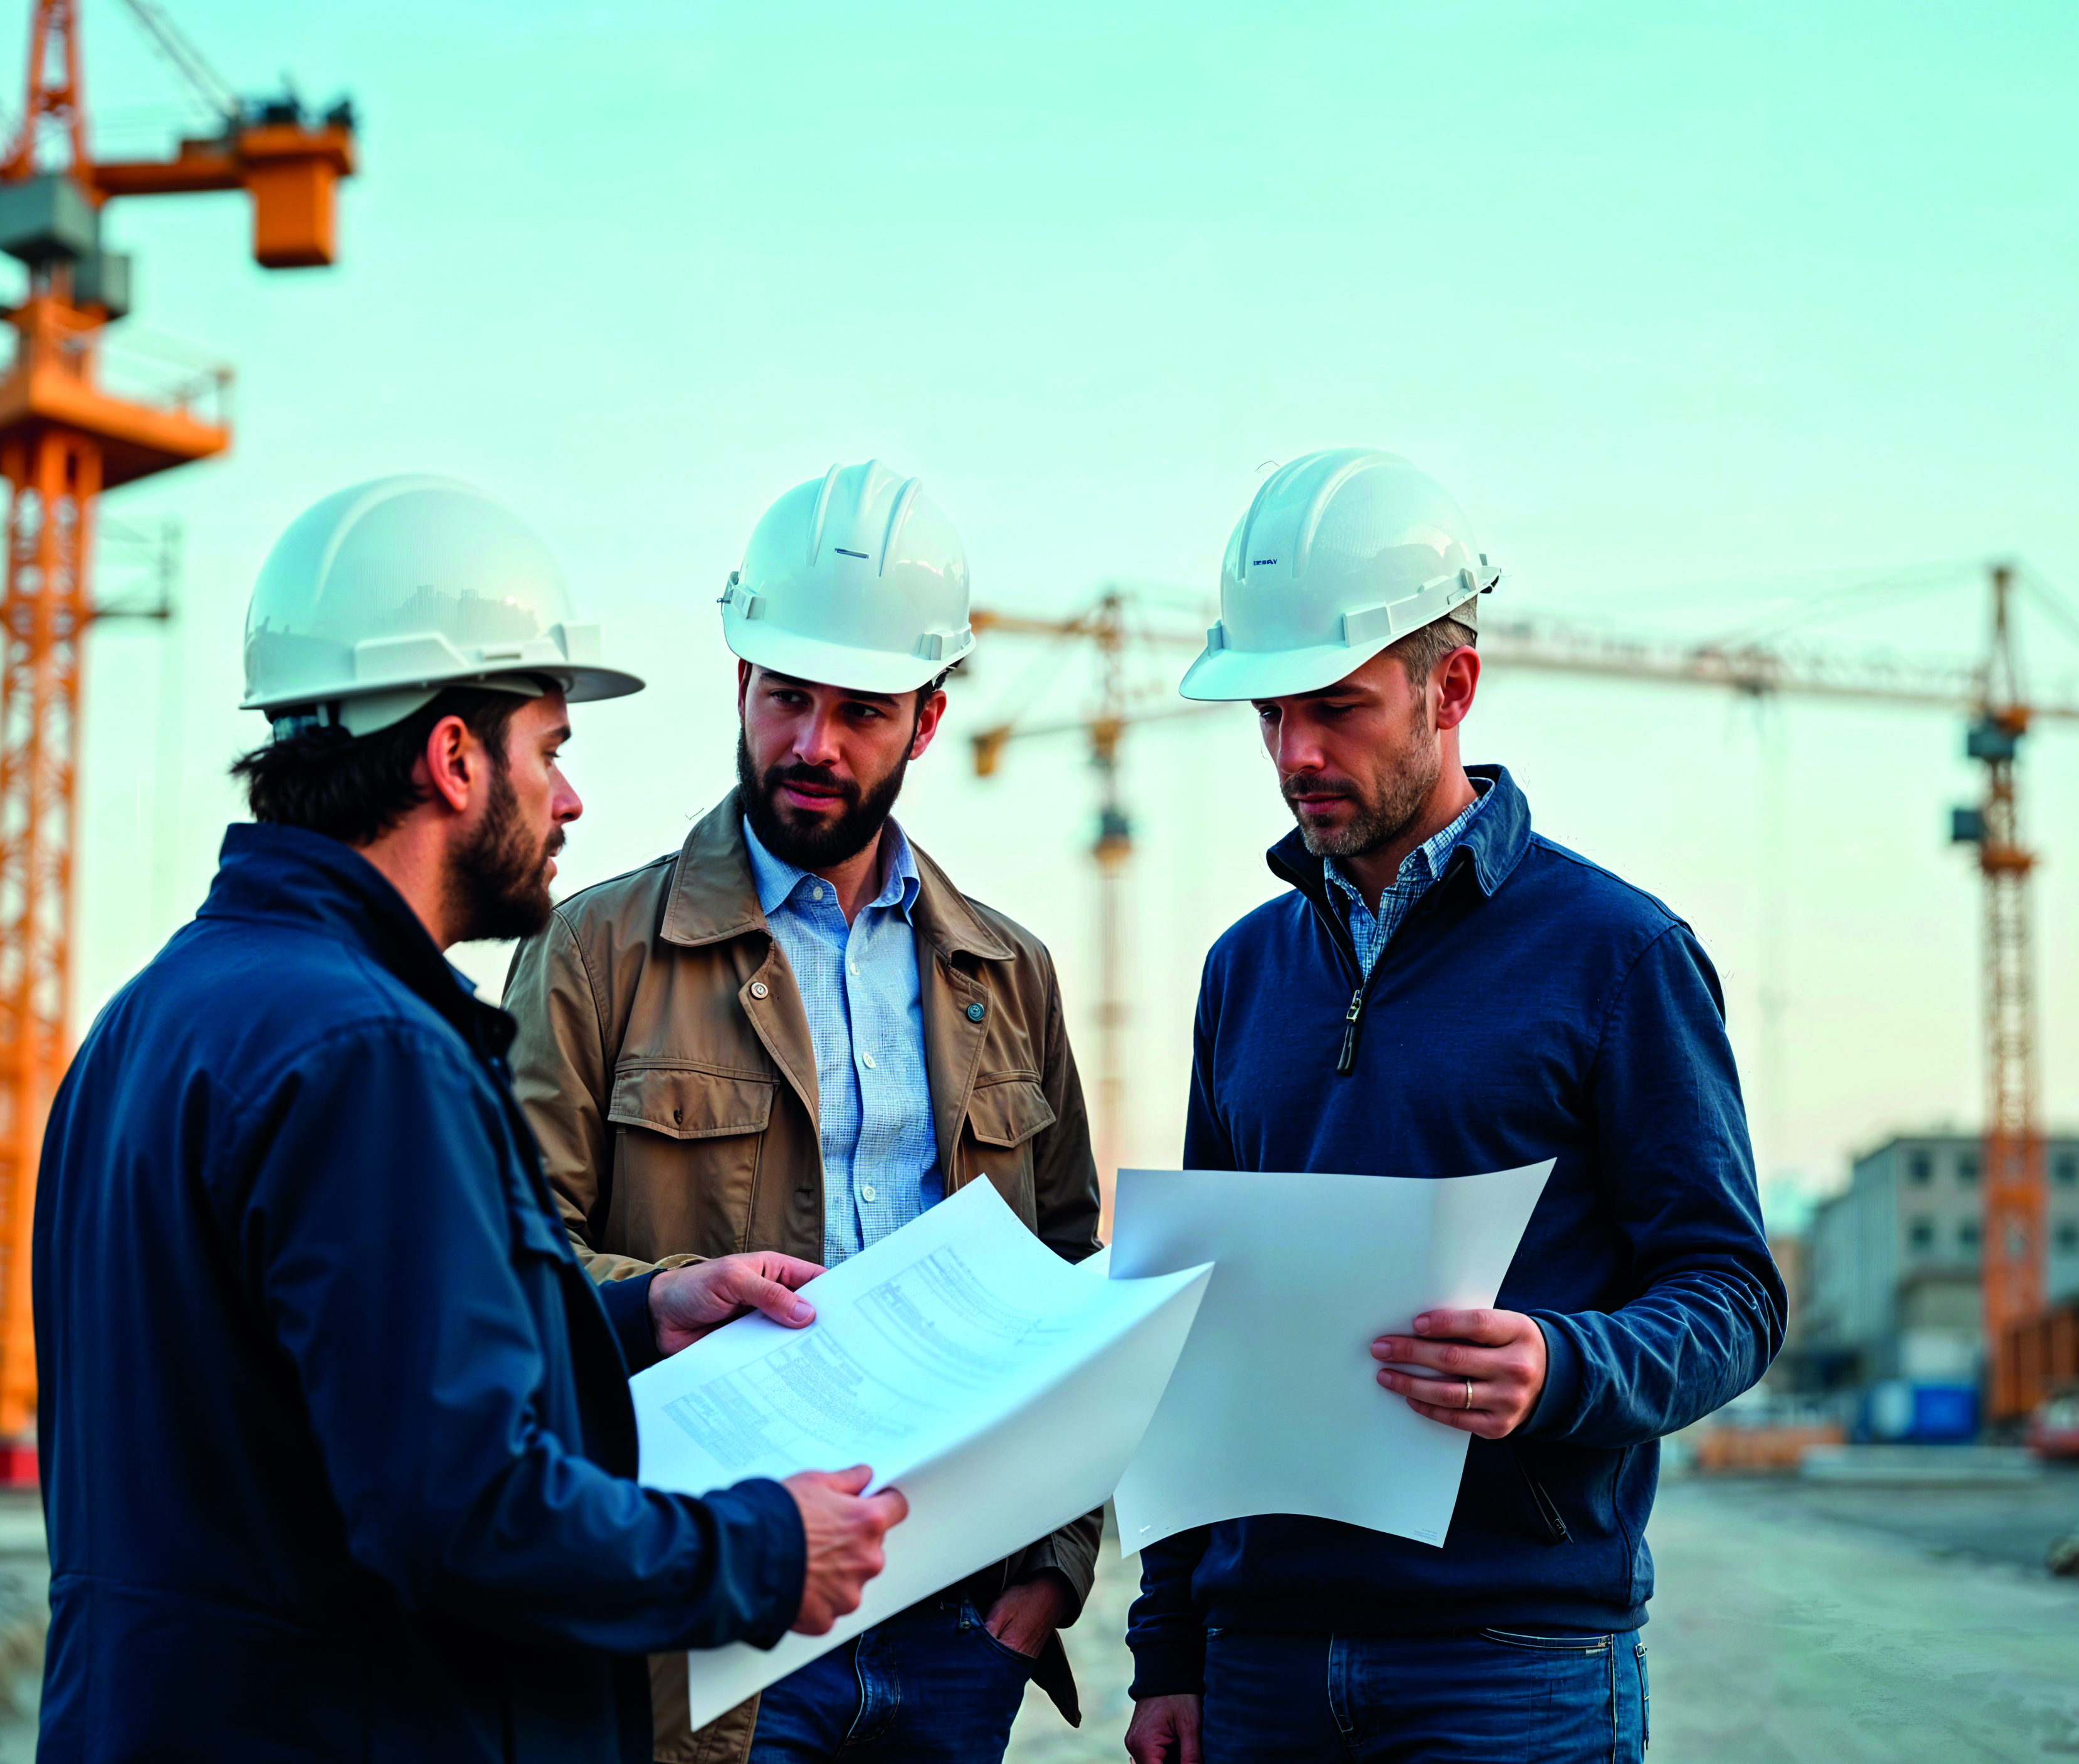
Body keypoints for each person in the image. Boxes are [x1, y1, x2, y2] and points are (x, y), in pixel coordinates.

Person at [33, 476, 909, 1763]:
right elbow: (459, 1510)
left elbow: (306, 1372)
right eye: (549, 749)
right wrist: (765, 1547)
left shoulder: (153, 1017)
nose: (568, 802)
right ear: (453, 757)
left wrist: (628, 1312)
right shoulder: (369, 1052)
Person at [1123, 449, 1786, 1764]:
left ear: (1452, 685)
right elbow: (1196, 1328)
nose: (1293, 753)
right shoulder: (1242, 973)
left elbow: (1729, 1292)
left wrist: (1559, 1364)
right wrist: (1169, 1647)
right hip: (1258, 1664)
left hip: (1512, 1662)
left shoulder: (1616, 955)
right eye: (1265, 714)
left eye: (1335, 707)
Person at [501, 460, 1105, 1764]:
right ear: (739, 684)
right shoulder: (595, 952)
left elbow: (1069, 1284)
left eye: (861, 710)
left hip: (955, 1630)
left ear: (930, 719)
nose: (812, 744)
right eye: (785, 697)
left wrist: (1048, 1567)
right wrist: (669, 1289)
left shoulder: (1008, 973)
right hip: (712, 1627)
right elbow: (509, 1272)